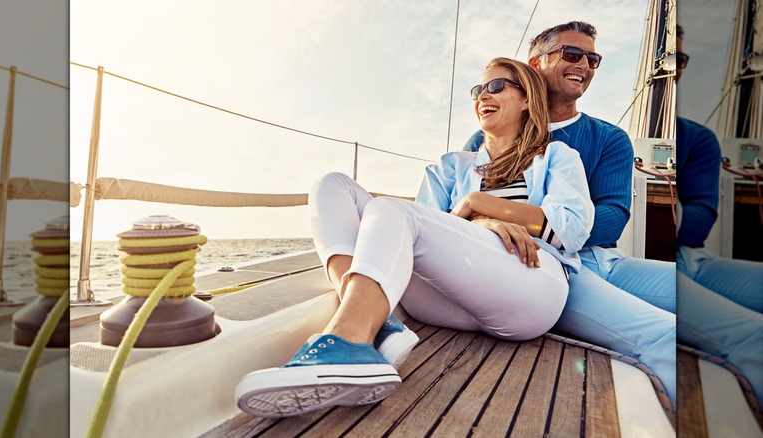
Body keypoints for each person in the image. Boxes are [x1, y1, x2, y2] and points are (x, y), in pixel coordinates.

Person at [234, 57, 594, 418]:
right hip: (446, 299)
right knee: (330, 185)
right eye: (478, 89)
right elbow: (422, 230)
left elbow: (573, 229)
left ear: (528, 98)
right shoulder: (452, 166)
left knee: (392, 209)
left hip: (528, 287)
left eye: (497, 86)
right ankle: (376, 324)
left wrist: (479, 204)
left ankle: (348, 340)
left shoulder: (556, 156)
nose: (483, 95)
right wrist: (474, 224)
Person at [463, 21, 677, 406]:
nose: (585, 65)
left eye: (592, 59)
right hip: (542, 265)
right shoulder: (483, 142)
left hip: (600, 259)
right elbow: (455, 214)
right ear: (536, 63)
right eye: (572, 54)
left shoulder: (607, 138)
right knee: (666, 336)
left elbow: (613, 216)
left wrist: (541, 226)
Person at [674, 24, 763, 406]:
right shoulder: (612, 137)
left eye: (679, 58)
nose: (673, 66)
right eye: (665, 57)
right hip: (659, 268)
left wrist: (673, 217)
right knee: (754, 336)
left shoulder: (696, 138)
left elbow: (701, 217)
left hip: (694, 259)